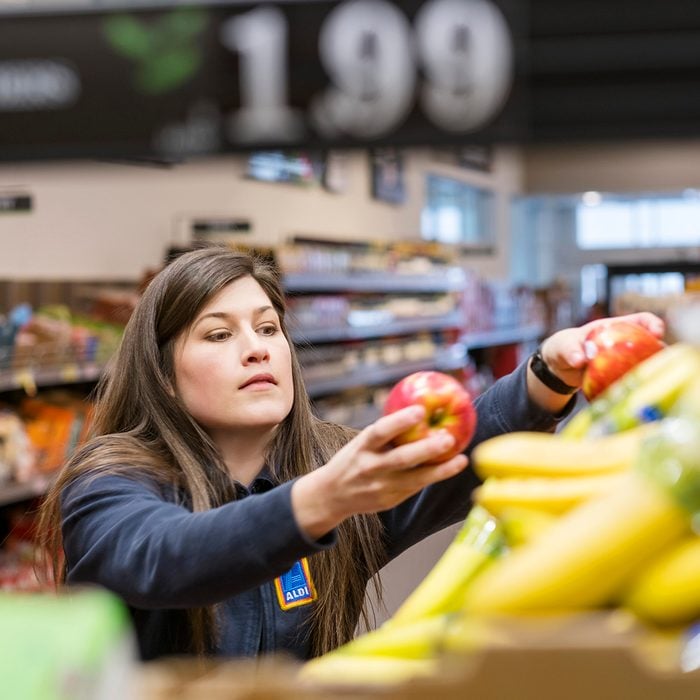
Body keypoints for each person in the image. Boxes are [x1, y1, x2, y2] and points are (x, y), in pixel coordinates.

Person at [36, 246, 665, 662]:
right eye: (219, 334)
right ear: (163, 375)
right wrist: (325, 499)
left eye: (267, 328)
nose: (256, 349)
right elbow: (169, 558)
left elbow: (463, 452)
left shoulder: (327, 462)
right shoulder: (111, 482)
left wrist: (548, 375)